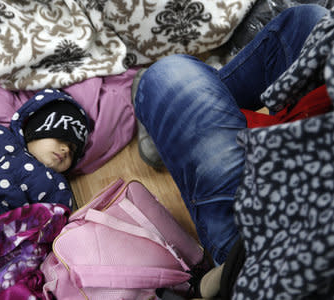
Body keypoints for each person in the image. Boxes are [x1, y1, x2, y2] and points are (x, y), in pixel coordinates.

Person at [132, 4, 329, 264]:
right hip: (308, 142)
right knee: (310, 21)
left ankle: (176, 119)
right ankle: (179, 122)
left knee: (167, 76)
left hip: (278, 234)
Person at [0, 88, 91, 216]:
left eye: (72, 150)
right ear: (33, 132)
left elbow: (51, 224)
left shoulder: (57, 188)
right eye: (60, 138)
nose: (66, 149)